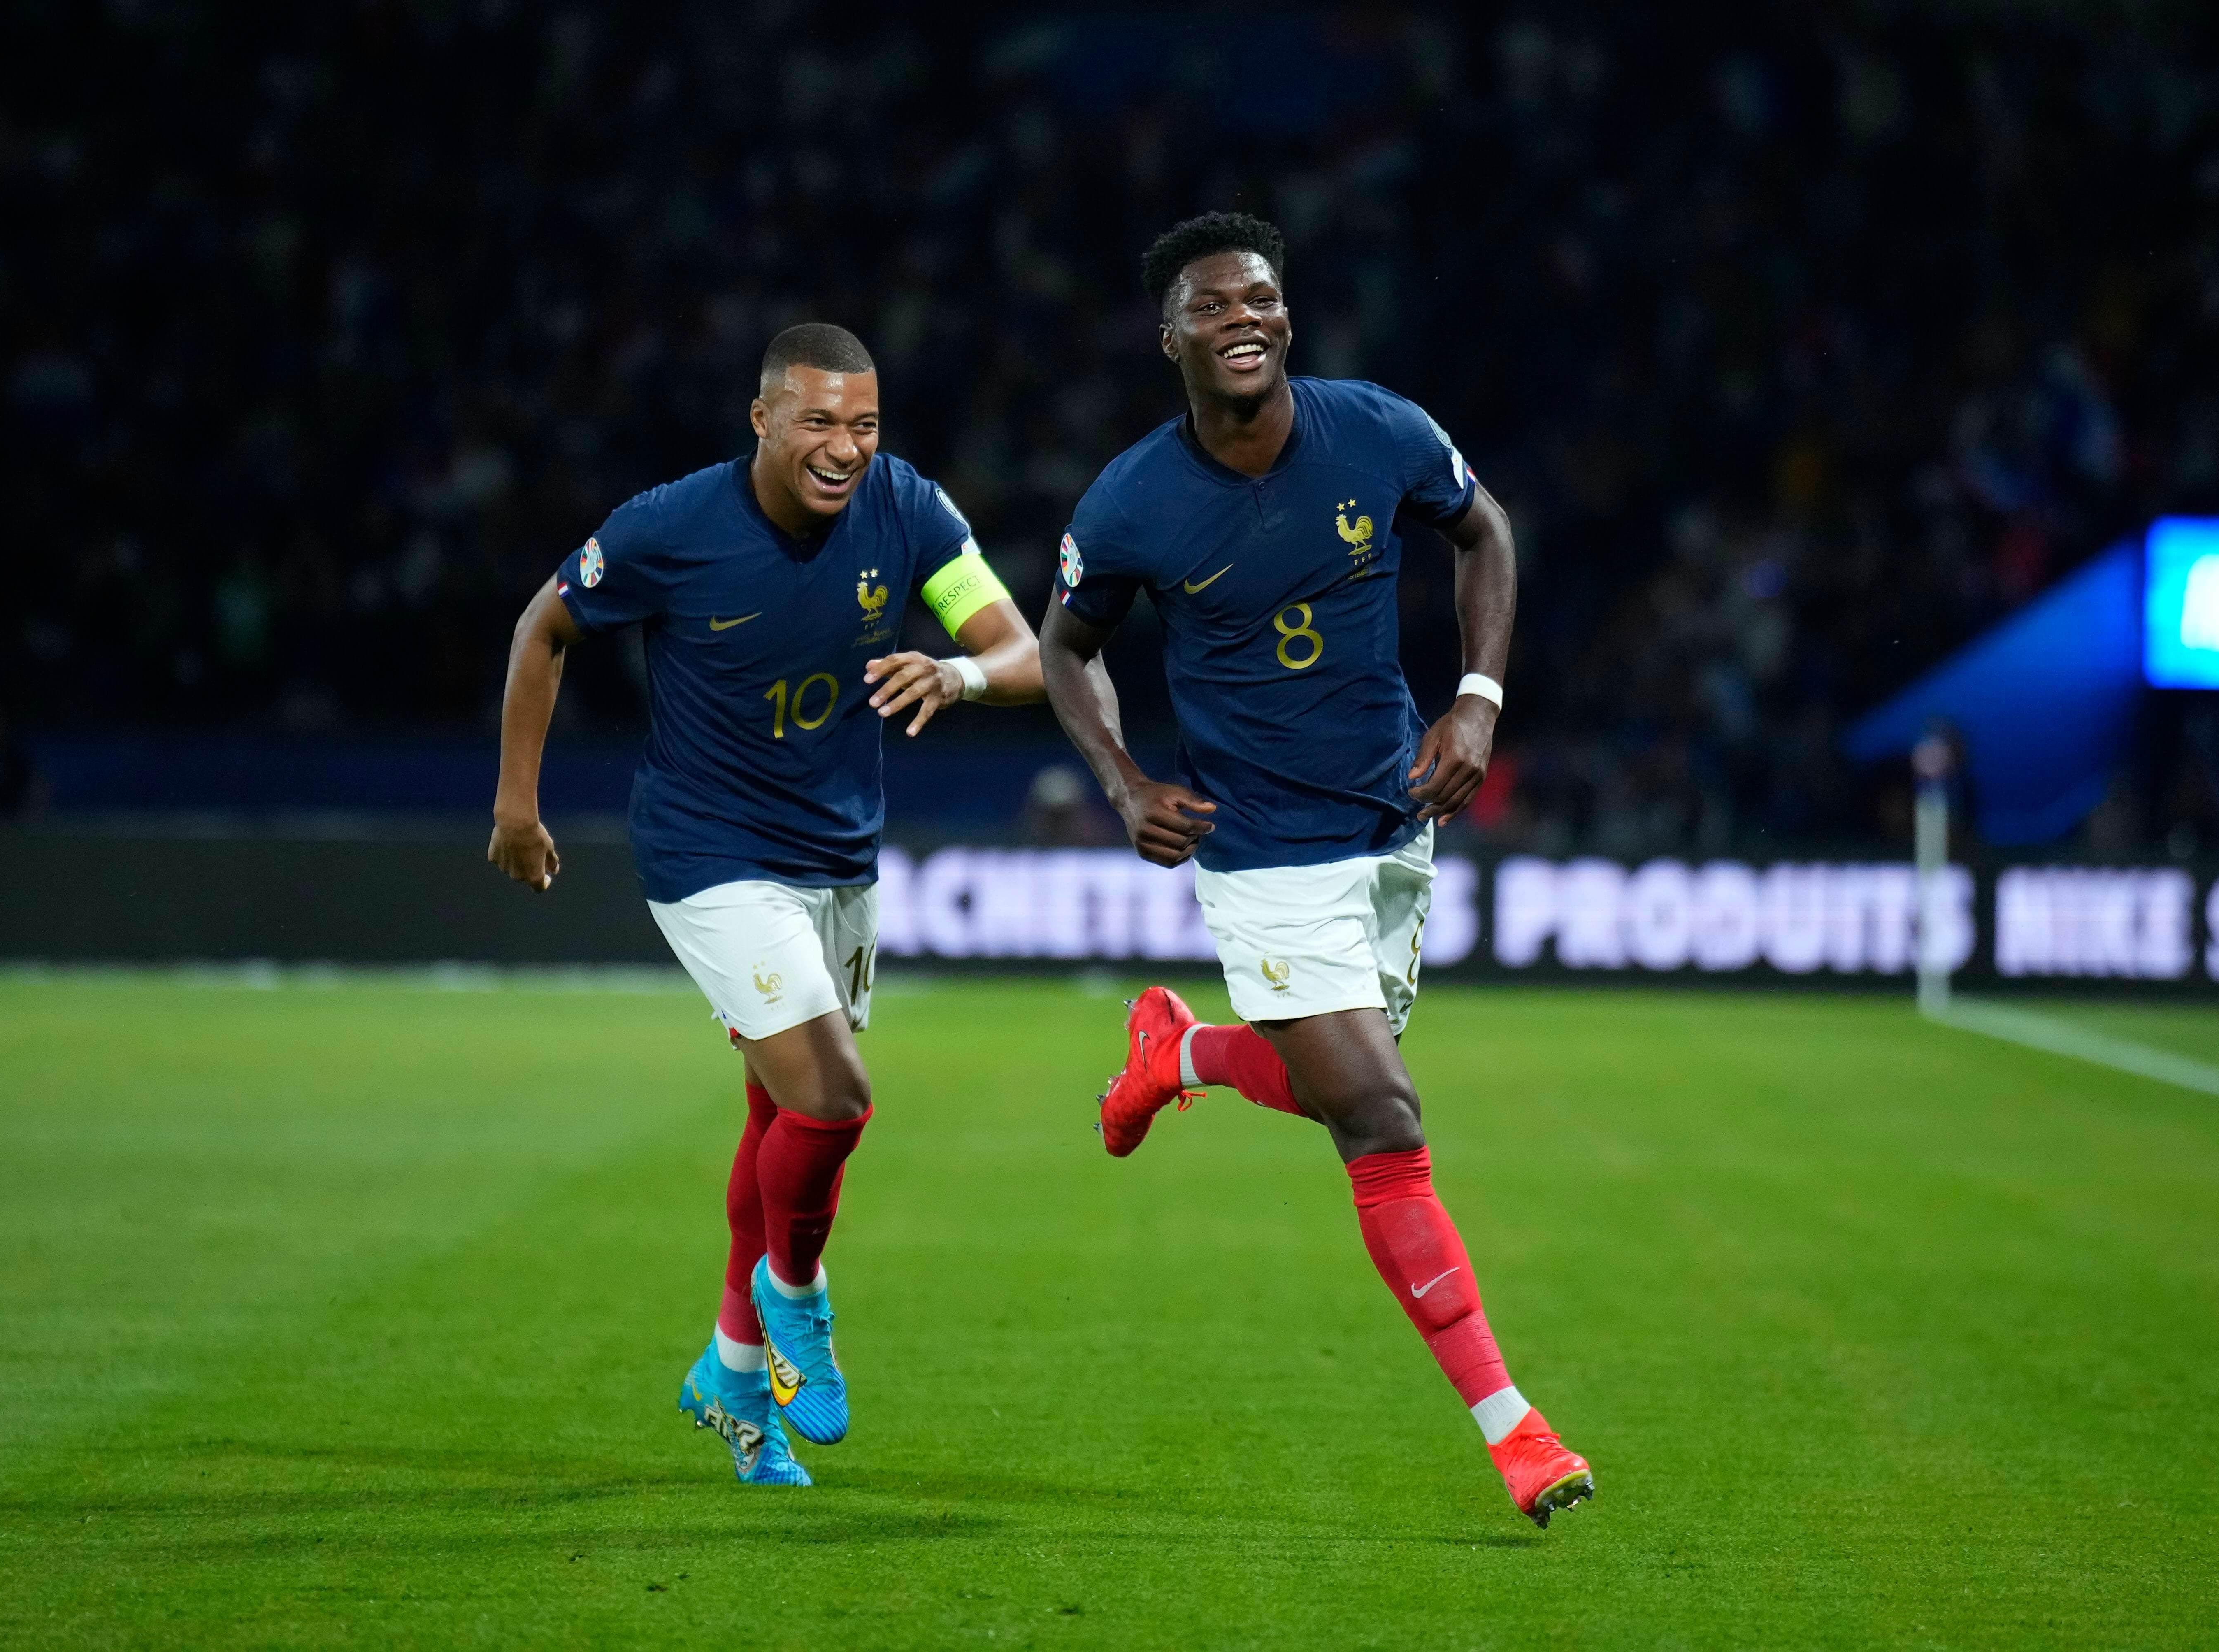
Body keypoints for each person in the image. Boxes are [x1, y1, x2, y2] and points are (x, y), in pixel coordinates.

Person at [1036, 214, 1594, 1527]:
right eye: (1214, 304)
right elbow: (1068, 649)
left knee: (1330, 1079)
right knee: (1384, 1119)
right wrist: (1125, 784)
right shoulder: (1131, 501)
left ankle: (1175, 1054)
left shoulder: (1379, 430)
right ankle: (1512, 1430)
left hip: (1395, 812)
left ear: (1289, 318)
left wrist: (1477, 700)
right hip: (1258, 846)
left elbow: (1486, 532)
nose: (1245, 318)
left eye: (1265, 299)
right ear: (1168, 336)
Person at [489, 323, 1042, 1486]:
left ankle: (733, 1378)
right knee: (835, 1102)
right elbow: (544, 629)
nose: (845, 449)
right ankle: (795, 1300)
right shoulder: (671, 528)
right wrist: (517, 808)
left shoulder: (909, 511)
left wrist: (957, 671)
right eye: (819, 423)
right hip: (709, 854)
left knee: (773, 1117)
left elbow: (1022, 649)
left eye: (865, 425)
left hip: (838, 858)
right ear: (762, 420)